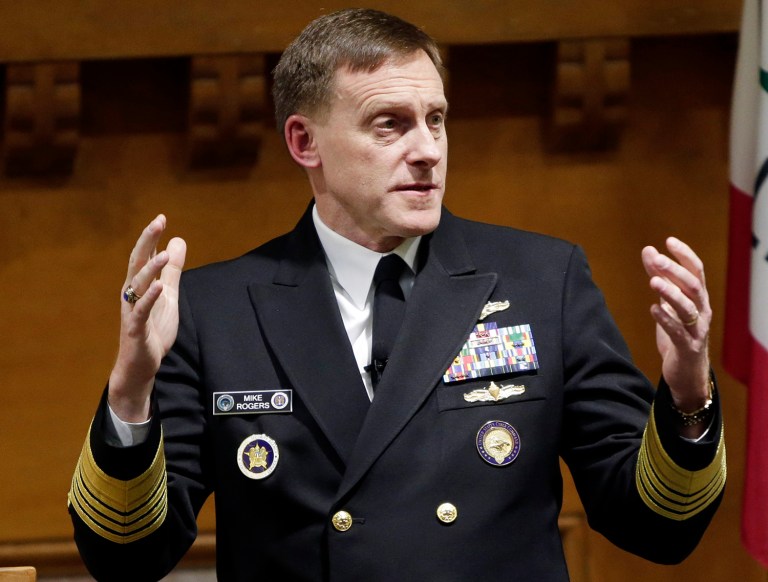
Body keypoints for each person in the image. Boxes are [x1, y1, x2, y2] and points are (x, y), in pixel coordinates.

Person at [68, 8, 725, 582]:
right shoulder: (216, 311)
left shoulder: (542, 280)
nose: (427, 151)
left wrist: (689, 396)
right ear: (304, 142)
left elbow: (656, 527)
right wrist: (131, 393)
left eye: (436, 120)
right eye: (390, 125)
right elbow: (127, 558)